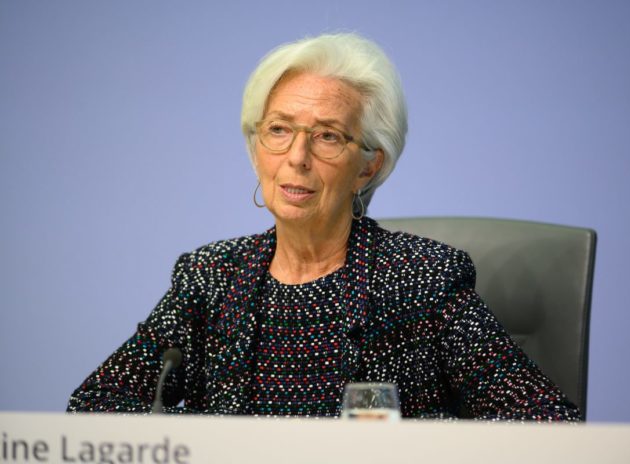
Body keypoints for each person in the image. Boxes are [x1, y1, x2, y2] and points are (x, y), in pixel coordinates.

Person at [68, 33, 579, 421]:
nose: (297, 157)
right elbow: (95, 405)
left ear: (368, 167)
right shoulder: (211, 278)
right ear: (256, 150)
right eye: (278, 130)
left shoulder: (422, 279)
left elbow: (544, 420)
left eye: (328, 136)